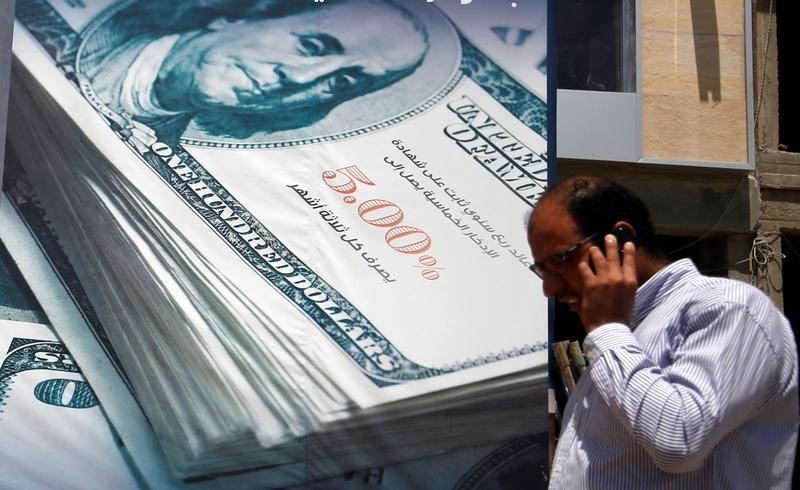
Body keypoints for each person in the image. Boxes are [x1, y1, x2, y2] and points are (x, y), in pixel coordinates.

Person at [527, 176, 798, 489]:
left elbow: (678, 440)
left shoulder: (728, 307)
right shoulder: (626, 337)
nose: (550, 288)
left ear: (620, 237)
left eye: (561, 260)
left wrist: (607, 328)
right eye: (542, 271)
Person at [80, 0, 428, 143]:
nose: (301, 79)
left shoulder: (156, 153)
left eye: (341, 82)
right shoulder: (85, 38)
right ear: (244, 17)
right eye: (311, 47)